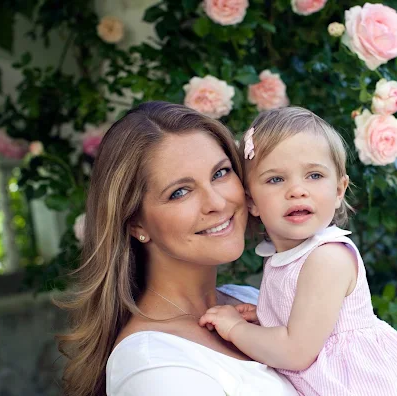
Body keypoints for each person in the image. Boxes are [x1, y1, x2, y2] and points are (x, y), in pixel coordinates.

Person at [199, 107, 397, 396]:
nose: (297, 190)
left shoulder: (327, 258)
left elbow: (295, 351)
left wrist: (235, 329)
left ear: (339, 189)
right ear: (251, 200)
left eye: (314, 175)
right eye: (276, 179)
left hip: (366, 384)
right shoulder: (286, 255)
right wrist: (268, 318)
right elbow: (311, 323)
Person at [57, 101, 298, 396]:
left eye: (220, 173)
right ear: (136, 224)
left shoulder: (252, 301)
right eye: (180, 192)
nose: (217, 203)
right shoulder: (153, 368)